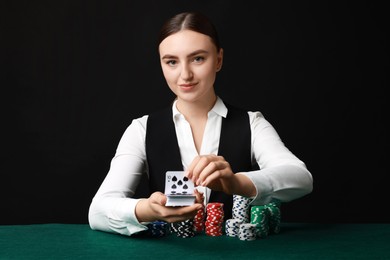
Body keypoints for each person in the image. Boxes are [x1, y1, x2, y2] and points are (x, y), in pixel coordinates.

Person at [88, 11, 313, 236]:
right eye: (172, 62)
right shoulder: (141, 129)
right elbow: (97, 211)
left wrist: (237, 183)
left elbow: (301, 178)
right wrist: (147, 209)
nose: (185, 74)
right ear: (161, 64)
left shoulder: (252, 123)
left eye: (198, 58)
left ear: (218, 60)